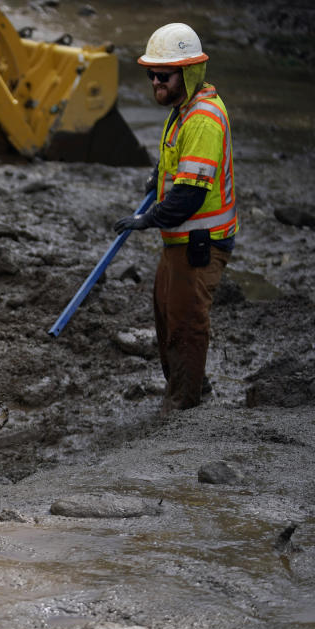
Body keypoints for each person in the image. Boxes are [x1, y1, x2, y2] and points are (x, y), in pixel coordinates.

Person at [114, 23, 237, 414]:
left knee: (185, 326)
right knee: (167, 317)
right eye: (150, 73)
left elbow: (190, 195)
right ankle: (189, 388)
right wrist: (157, 175)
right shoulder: (182, 109)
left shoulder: (202, 118)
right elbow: (177, 165)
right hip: (180, 240)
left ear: (188, 72)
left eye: (162, 75)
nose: (154, 81)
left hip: (200, 241)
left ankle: (183, 406)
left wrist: (147, 219)